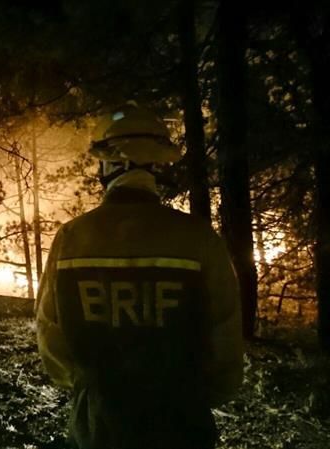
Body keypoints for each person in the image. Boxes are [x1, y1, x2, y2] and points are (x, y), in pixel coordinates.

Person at [36, 103, 244, 449]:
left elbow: (49, 332)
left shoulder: (72, 237)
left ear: (113, 163)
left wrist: (87, 387)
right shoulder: (198, 237)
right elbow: (224, 335)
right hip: (183, 423)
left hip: (99, 424)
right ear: (157, 165)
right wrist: (198, 395)